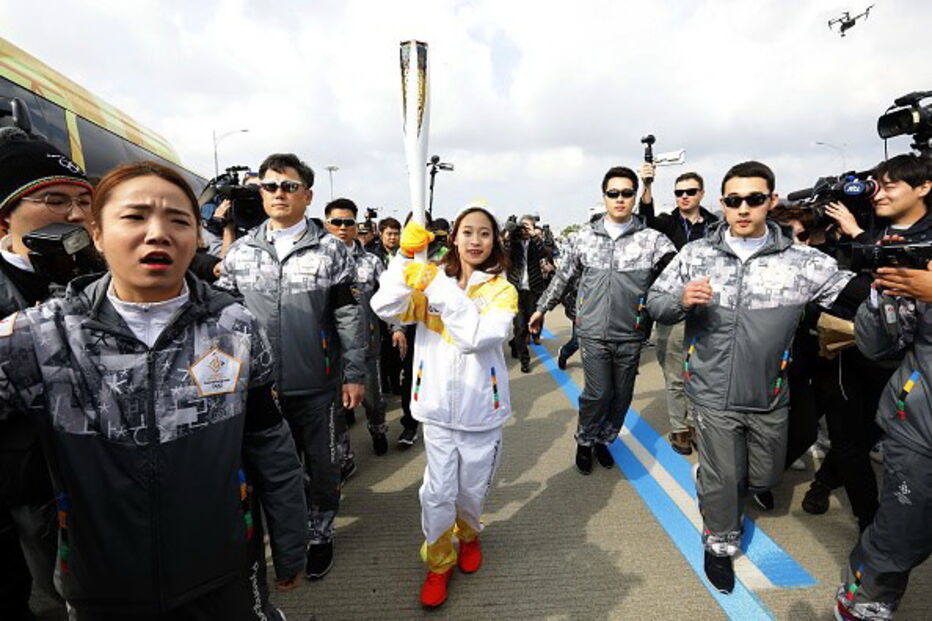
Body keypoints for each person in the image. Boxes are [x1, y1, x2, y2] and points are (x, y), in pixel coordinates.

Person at [0, 161, 306, 619]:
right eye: (134, 216)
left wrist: (290, 543)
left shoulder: (235, 326)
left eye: (179, 220)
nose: (158, 233)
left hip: (222, 568)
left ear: (196, 237)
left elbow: (269, 441)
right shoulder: (39, 336)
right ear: (96, 235)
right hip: (100, 583)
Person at [646, 160, 860, 594]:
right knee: (726, 481)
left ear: (771, 201)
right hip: (710, 392)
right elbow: (655, 303)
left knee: (763, 479)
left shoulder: (802, 261)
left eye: (754, 199)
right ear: (722, 204)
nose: (743, 208)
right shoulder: (696, 254)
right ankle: (720, 541)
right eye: (734, 200)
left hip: (769, 393)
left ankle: (717, 478)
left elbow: (856, 292)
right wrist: (682, 300)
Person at [216, 153, 366, 580]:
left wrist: (354, 373)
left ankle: (320, 532)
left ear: (308, 195)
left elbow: (349, 316)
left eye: (288, 186)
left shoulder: (332, 249)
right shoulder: (241, 253)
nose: (278, 194)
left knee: (324, 465)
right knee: (272, 471)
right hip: (260, 388)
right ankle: (286, 535)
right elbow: (223, 319)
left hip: (317, 384)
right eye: (270, 186)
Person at [370, 206, 517, 608]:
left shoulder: (502, 291)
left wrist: (438, 285)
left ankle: (468, 535)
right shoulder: (429, 278)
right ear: (452, 237)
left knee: (470, 492)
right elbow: (384, 307)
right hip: (435, 409)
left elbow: (474, 336)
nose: (474, 240)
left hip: (481, 414)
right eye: (466, 232)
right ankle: (438, 562)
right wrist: (404, 259)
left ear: (493, 241)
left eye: (484, 233)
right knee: (436, 493)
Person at [0, 127, 93, 621]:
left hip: (98, 470)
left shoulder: (103, 273)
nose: (76, 215)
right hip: (26, 479)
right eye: (55, 200)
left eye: (84, 200)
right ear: (3, 220)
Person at [835, 154, 932, 620]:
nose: (882, 191)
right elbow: (880, 347)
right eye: (878, 183)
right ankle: (865, 598)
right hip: (918, 418)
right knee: (902, 528)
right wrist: (881, 295)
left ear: (925, 187)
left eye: (892, 184)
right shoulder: (889, 248)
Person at [529, 166, 676, 475]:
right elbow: (562, 277)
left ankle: (603, 439)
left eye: (626, 193)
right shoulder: (583, 238)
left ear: (635, 197)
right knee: (597, 393)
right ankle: (584, 440)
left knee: (621, 396)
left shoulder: (653, 241)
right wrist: (542, 308)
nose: (620, 199)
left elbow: (678, 275)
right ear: (604, 196)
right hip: (592, 332)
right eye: (613, 193)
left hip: (632, 334)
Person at [638, 167, 720, 454]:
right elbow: (645, 217)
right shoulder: (665, 223)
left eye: (690, 191)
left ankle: (697, 425)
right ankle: (679, 429)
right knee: (674, 375)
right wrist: (646, 184)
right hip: (672, 307)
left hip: (708, 309)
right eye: (678, 192)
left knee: (702, 374)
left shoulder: (715, 226)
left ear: (702, 194)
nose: (684, 196)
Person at [323, 198, 390, 472]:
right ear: (327, 224)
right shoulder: (318, 263)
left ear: (356, 226)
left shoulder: (372, 262)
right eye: (336, 222)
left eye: (348, 222)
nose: (342, 228)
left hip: (366, 345)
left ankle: (378, 428)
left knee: (372, 399)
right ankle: (345, 457)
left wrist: (396, 330)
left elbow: (388, 301)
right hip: (330, 350)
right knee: (336, 410)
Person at [507, 214, 548, 373]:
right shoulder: (513, 243)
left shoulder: (535, 244)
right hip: (515, 290)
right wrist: (510, 233)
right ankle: (525, 359)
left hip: (532, 289)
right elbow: (504, 251)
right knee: (519, 325)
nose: (524, 229)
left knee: (528, 325)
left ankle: (514, 343)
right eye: (522, 226)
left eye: (527, 226)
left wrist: (534, 236)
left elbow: (544, 253)